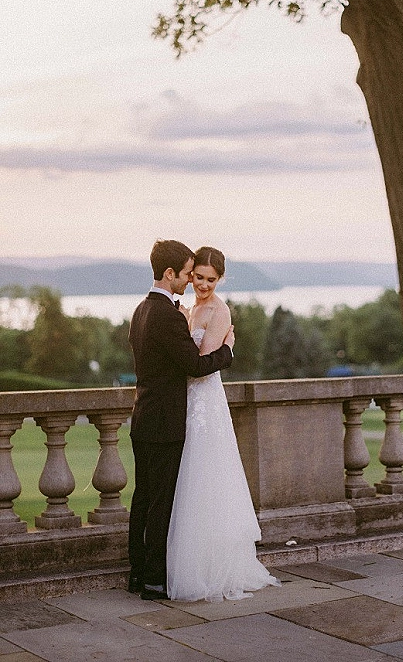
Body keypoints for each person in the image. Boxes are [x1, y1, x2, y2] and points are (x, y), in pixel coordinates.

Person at [166, 246, 280, 602]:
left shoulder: (219, 310)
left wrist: (225, 350)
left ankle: (208, 568)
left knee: (204, 476)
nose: (203, 285)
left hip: (204, 403)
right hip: (184, 402)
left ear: (221, 279)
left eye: (211, 280)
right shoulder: (190, 308)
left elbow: (201, 365)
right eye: (198, 277)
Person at [128, 239, 234, 601]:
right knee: (161, 503)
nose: (192, 281)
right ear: (170, 273)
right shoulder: (169, 315)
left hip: (143, 417)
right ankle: (154, 581)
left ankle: (137, 574)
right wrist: (227, 351)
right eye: (189, 273)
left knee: (142, 499)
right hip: (164, 422)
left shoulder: (141, 310)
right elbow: (195, 365)